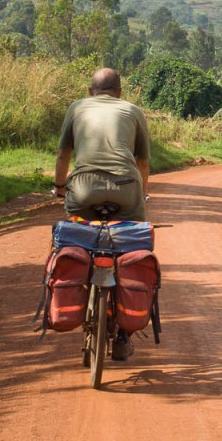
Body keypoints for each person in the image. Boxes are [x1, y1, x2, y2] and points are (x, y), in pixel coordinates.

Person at [53, 67, 150, 361]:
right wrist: (141, 195)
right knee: (132, 244)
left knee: (72, 238)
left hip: (83, 188)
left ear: (90, 90)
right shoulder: (132, 111)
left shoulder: (76, 107)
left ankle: (70, 294)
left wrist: (59, 188)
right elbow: (142, 161)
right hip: (126, 187)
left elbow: (62, 155)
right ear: (120, 92)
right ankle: (123, 335)